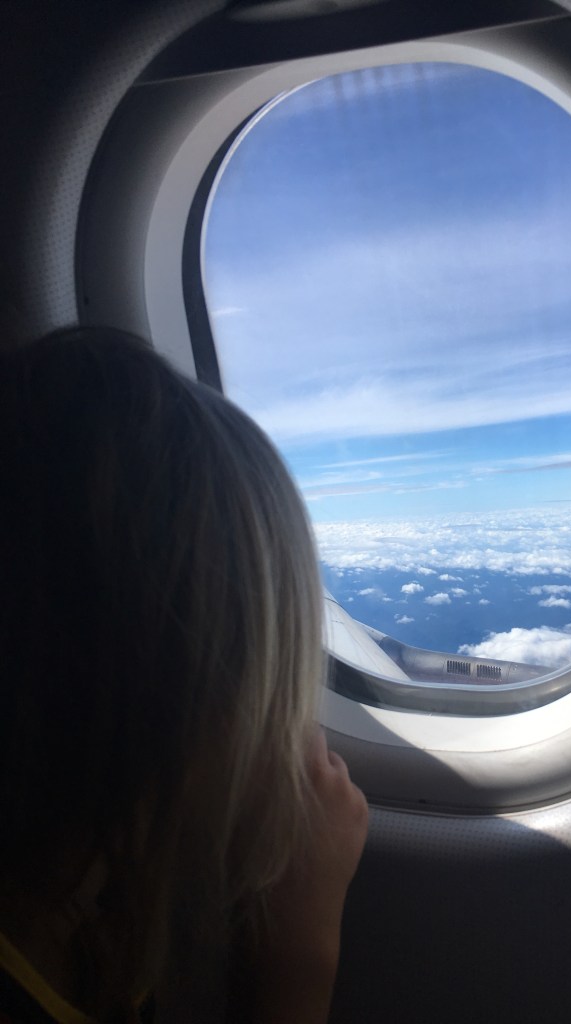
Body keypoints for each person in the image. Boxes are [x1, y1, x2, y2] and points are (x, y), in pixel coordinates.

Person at [0, 327, 369, 1024]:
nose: (295, 738)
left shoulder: (88, 917)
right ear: (167, 717)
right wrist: (299, 966)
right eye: (266, 699)